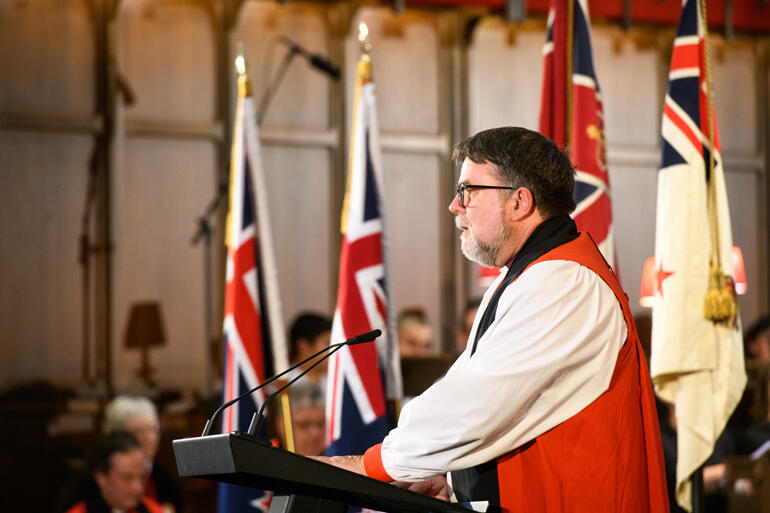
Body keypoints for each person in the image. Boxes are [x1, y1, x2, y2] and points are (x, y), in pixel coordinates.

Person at [315, 126, 668, 512]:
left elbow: (475, 406)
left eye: (468, 190)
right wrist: (449, 476)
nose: (455, 205)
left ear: (519, 202)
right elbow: (511, 407)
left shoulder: (565, 282)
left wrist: (366, 465)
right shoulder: (528, 275)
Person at [103, 395, 184, 513]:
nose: (150, 438)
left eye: (153, 429)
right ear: (118, 436)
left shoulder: (167, 481)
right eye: (140, 431)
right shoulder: (93, 481)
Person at [61, 430, 163, 513]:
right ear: (101, 477)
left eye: (142, 477)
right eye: (127, 478)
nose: (138, 488)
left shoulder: (153, 509)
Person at [273, 381, 326, 457]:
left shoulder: (340, 462)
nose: (315, 433)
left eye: (321, 424)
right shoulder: (267, 459)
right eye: (304, 425)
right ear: (281, 425)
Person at [287, 312, 333, 388]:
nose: (334, 350)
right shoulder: (284, 386)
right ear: (303, 346)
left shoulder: (333, 381)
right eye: (327, 343)